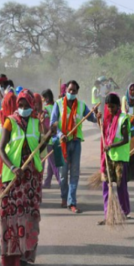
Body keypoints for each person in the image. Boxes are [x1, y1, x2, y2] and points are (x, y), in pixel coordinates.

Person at [0, 89, 55, 266]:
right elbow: (1, 149)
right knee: (11, 220)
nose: (22, 109)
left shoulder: (35, 122)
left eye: (26, 106)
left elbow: (40, 146)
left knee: (29, 219)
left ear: (32, 106)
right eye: (20, 105)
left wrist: (49, 133)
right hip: (14, 179)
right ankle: (7, 263)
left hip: (31, 179)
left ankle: (25, 258)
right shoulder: (9, 121)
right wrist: (13, 168)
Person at [50, 80, 98, 213]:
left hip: (76, 142)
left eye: (74, 91)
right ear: (66, 91)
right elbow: (53, 124)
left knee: (75, 173)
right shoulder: (58, 104)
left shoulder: (81, 105)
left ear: (77, 92)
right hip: (61, 143)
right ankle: (64, 197)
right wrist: (60, 134)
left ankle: (72, 202)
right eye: (70, 90)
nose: (71, 92)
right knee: (63, 173)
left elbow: (91, 118)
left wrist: (97, 115)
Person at [97, 93, 131, 225]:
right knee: (106, 185)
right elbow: (103, 131)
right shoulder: (108, 119)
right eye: (108, 107)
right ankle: (108, 214)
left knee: (121, 186)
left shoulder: (123, 119)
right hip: (109, 157)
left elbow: (125, 139)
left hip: (120, 158)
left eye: (112, 107)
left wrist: (111, 146)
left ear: (118, 106)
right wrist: (98, 118)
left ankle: (124, 211)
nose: (110, 110)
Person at [0, 92, 17, 189]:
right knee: (2, 168)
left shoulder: (16, 117)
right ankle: (2, 186)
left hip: (12, 148)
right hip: (2, 147)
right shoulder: (0, 114)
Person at [121, 83, 134, 182]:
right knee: (125, 152)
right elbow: (122, 111)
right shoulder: (124, 99)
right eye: (131, 90)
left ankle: (132, 174)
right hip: (125, 127)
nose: (133, 92)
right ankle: (126, 174)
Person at [41, 89, 60, 188]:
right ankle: (47, 182)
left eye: (43, 98)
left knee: (53, 163)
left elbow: (48, 125)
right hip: (58, 138)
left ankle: (62, 183)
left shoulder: (46, 110)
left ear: (46, 98)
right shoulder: (57, 106)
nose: (42, 99)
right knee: (51, 163)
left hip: (50, 139)